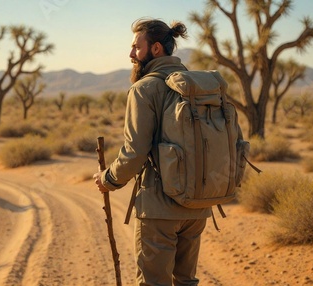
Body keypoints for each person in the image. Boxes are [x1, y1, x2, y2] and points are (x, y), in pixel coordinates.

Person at [93, 18, 211, 286]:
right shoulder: (197, 87)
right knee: (185, 281)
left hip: (160, 209)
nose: (131, 54)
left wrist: (108, 178)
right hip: (198, 205)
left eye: (136, 47)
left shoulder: (144, 88)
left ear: (156, 48)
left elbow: (134, 152)